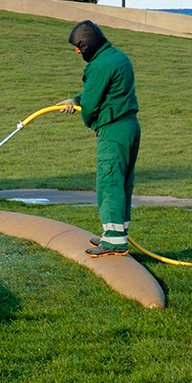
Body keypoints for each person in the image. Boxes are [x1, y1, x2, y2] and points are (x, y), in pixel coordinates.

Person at [57, 20, 140, 257]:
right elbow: (103, 92)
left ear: (88, 44)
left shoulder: (99, 65)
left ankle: (114, 241)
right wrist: (75, 100)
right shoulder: (117, 56)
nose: (77, 51)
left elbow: (92, 105)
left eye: (79, 46)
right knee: (122, 183)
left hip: (113, 130)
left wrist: (87, 118)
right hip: (129, 126)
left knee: (109, 182)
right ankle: (116, 233)